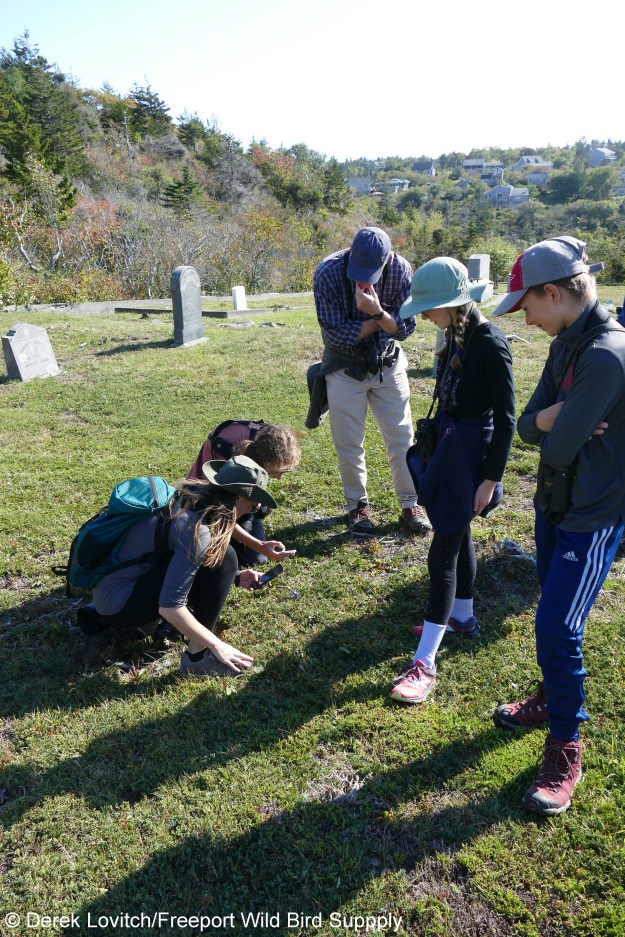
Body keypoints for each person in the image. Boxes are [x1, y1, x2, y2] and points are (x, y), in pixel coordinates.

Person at [490, 236, 625, 816]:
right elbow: (529, 427)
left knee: (558, 627)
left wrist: (554, 425)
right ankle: (552, 698)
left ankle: (566, 743)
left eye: (527, 307)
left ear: (555, 293)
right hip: (554, 503)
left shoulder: (605, 354)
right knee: (552, 615)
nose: (525, 318)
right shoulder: (566, 344)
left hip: (591, 514)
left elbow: (563, 443)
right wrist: (550, 418)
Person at [389, 258, 515, 705]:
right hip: (450, 444)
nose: (423, 316)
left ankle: (425, 663)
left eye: (429, 308)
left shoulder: (490, 342)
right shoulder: (453, 334)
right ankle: (462, 617)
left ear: (454, 303)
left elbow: (507, 418)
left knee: (442, 548)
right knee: (457, 535)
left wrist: (490, 479)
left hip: (472, 457)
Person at [88, 456, 277, 677]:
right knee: (225, 557)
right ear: (235, 498)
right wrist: (218, 645)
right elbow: (170, 607)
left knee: (223, 560)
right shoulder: (195, 529)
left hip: (110, 589)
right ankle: (198, 657)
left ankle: (162, 629)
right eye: (252, 505)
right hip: (119, 605)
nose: (251, 512)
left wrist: (234, 576)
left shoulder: (188, 494)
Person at [311, 226, 431, 535]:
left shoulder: (401, 270)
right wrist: (381, 322)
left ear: (387, 259)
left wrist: (376, 312)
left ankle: (410, 504)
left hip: (387, 365)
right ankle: (357, 507)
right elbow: (336, 335)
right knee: (349, 443)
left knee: (402, 438)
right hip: (344, 367)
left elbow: (404, 329)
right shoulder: (327, 273)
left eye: (371, 272)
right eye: (358, 271)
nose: (363, 280)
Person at [187, 421, 301, 565]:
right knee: (250, 557)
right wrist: (260, 545)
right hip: (205, 501)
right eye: (277, 471)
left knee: (257, 557)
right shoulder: (229, 453)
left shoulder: (268, 441)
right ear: (262, 462)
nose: (279, 477)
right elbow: (223, 513)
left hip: (230, 499)